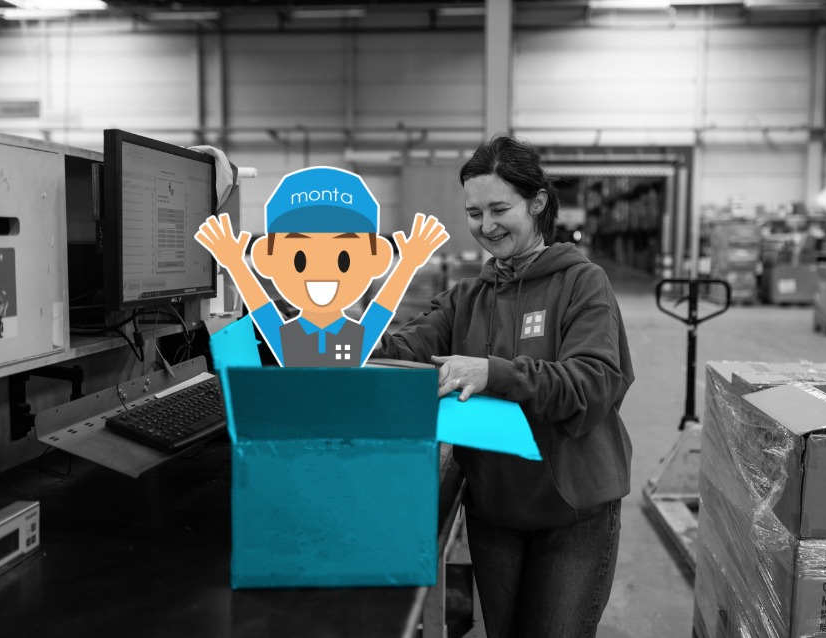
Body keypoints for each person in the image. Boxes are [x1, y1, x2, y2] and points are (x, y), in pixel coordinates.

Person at [372, 136, 634, 637]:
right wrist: (328, 328)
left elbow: (594, 382)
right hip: (495, 509)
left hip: (572, 511)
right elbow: (402, 351)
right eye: (474, 213)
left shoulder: (582, 283)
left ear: (537, 203)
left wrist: (493, 373)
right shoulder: (467, 297)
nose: (486, 226)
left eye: (499, 209)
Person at [194, 166, 448, 367]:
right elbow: (261, 310)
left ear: (377, 259)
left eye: (343, 259)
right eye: (300, 259)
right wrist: (234, 262)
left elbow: (382, 309)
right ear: (265, 259)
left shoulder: (348, 338)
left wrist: (409, 263)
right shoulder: (293, 338)